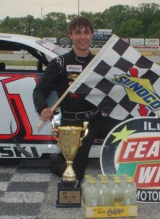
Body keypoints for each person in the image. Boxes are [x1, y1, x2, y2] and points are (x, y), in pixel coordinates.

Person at [33, 16, 101, 182]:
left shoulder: (99, 63)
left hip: (97, 119)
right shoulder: (60, 63)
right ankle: (57, 161)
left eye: (86, 32)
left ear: (92, 34)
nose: (82, 37)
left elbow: (128, 77)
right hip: (71, 123)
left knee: (126, 131)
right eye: (78, 33)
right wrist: (42, 107)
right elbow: (40, 90)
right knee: (75, 176)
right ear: (71, 35)